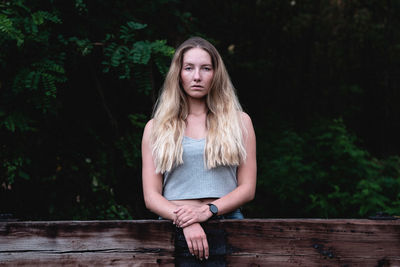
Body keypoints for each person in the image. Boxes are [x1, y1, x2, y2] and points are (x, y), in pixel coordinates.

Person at [141, 37, 256, 261]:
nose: (197, 76)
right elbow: (151, 196)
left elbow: (248, 188)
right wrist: (187, 220)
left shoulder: (240, 122)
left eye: (205, 68)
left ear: (215, 74)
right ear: (178, 74)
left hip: (227, 222)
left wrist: (207, 210)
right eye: (189, 68)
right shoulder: (156, 128)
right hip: (174, 226)